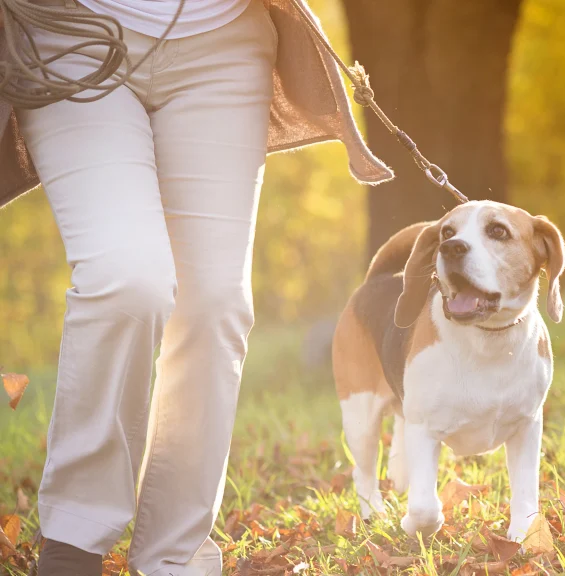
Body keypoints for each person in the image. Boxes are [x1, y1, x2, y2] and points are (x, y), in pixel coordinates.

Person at [0, 1, 393, 574]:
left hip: (223, 43)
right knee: (125, 275)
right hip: (69, 32)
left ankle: (175, 555)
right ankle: (74, 539)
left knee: (215, 304)